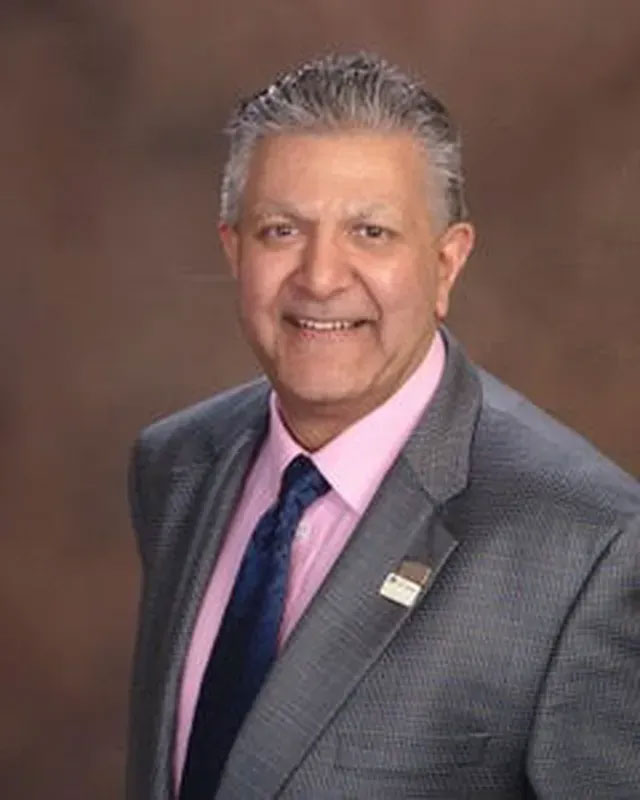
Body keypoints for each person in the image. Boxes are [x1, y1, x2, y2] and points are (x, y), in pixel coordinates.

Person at [126, 53, 640, 800]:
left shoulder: (588, 544)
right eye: (281, 230)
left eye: (370, 232)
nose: (320, 277)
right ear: (234, 249)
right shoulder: (176, 468)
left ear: (447, 263)